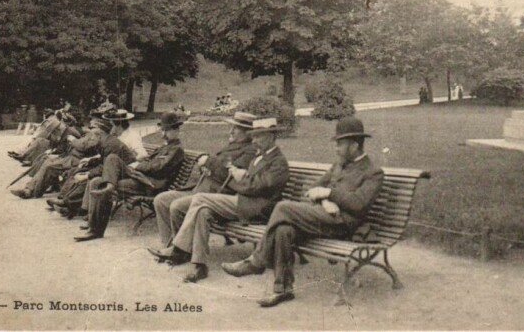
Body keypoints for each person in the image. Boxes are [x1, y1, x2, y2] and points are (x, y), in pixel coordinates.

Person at [222, 116, 384, 307]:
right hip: (323, 218)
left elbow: (358, 204)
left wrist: (329, 193)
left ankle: (257, 261)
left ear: (354, 145)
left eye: (340, 144)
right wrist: (325, 201)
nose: (336, 148)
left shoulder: (373, 172)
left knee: (283, 207)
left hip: (343, 225)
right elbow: (312, 188)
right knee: (283, 229)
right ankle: (283, 289)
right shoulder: (338, 165)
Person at [149, 117, 289, 284]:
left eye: (259, 136)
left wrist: (237, 178)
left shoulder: (278, 161)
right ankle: (199, 265)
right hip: (244, 201)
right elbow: (251, 182)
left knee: (200, 199)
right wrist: (239, 175)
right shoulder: (260, 156)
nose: (255, 140)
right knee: (202, 211)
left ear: (272, 136)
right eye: (254, 136)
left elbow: (255, 187)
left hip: (257, 207)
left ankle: (178, 249)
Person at [151, 112, 260, 249]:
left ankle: (181, 249)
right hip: (198, 190)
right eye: (231, 127)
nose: (230, 131)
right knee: (161, 200)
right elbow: (221, 165)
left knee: (177, 206)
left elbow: (231, 175)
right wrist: (206, 165)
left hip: (215, 197)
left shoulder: (250, 151)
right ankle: (168, 244)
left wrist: (208, 162)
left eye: (235, 128)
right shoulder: (233, 146)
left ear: (248, 133)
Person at [73, 111, 187, 242]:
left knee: (101, 180)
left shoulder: (177, 150)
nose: (163, 134)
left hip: (149, 185)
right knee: (104, 169)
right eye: (162, 130)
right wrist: (140, 163)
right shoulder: (165, 147)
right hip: (140, 178)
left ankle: (96, 229)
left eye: (167, 130)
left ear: (176, 130)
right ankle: (94, 224)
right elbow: (150, 162)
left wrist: (137, 165)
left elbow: (159, 168)